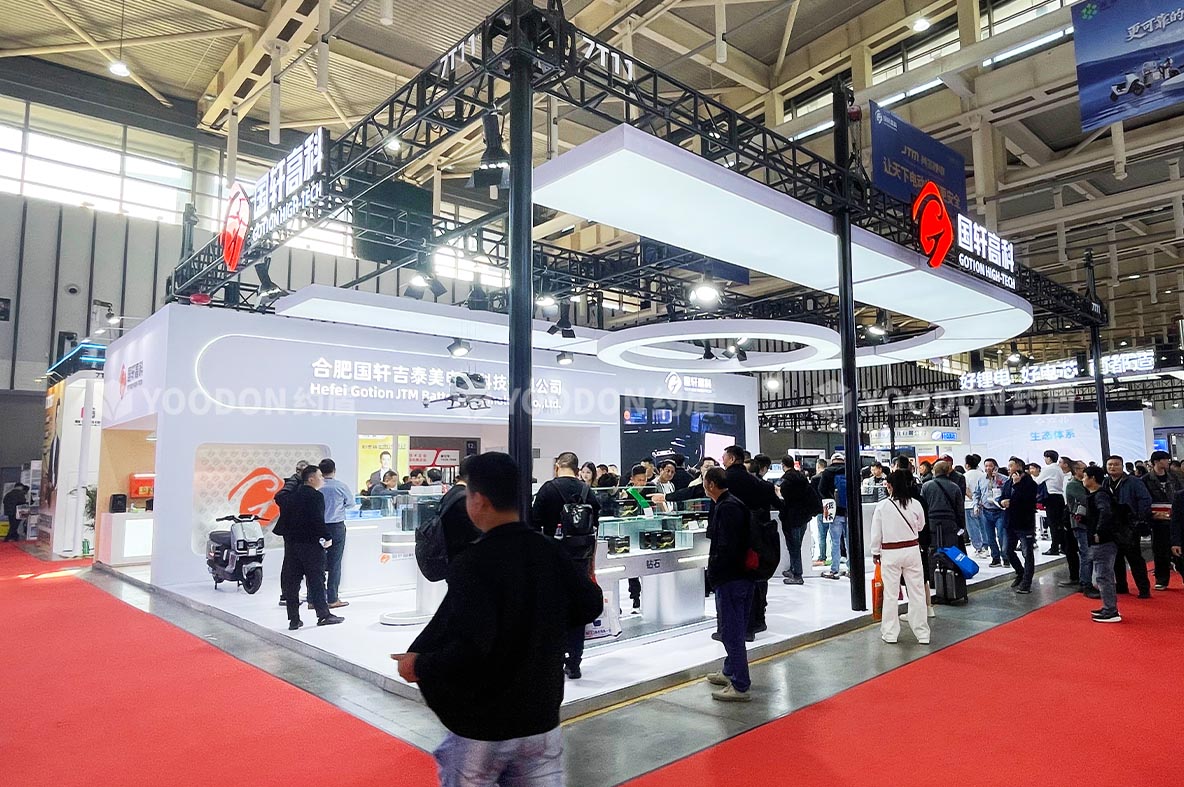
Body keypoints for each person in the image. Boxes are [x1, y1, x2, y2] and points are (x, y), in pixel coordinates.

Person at [394, 453, 602, 786]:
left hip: (484, 726)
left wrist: (419, 665)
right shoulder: (548, 550)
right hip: (541, 719)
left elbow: (469, 648)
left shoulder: (473, 562)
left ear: (478, 501)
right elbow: (589, 604)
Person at [531, 451, 601, 680]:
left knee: (554, 609)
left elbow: (534, 523)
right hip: (580, 558)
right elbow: (596, 525)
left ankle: (555, 659)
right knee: (577, 609)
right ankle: (575, 662)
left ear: (557, 466)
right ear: (577, 469)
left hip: (553, 557)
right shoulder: (587, 491)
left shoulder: (547, 490)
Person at [700, 467, 756, 702]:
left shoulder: (727, 507)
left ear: (711, 484)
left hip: (732, 578)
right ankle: (729, 670)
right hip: (739, 577)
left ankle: (740, 685)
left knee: (732, 632)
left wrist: (715, 573)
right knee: (732, 629)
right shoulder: (731, 503)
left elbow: (727, 547)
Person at [274, 464, 344, 630]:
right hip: (310, 545)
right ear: (311, 479)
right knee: (316, 580)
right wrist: (327, 536)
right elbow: (317, 519)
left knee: (292, 583)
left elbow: (280, 498)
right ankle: (323, 615)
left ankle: (293, 619)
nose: (322, 479)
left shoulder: (291, 496)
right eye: (319, 476)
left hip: (292, 544)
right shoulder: (315, 496)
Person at [721, 445, 780, 637]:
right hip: (758, 538)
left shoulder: (725, 480)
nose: (722, 460)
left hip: (733, 539)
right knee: (756, 578)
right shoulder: (763, 485)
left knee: (735, 583)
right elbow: (780, 505)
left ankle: (739, 627)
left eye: (724, 457)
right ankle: (757, 620)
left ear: (731, 459)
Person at [871, 469, 930, 645]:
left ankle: (890, 633)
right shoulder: (915, 504)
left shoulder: (882, 506)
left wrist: (875, 552)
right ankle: (922, 634)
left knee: (890, 594)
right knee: (917, 592)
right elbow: (921, 526)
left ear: (889, 486)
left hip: (890, 553)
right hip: (912, 550)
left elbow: (876, 533)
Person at [1105, 455, 1152, 598]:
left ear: (1122, 466)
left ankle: (1144, 589)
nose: (1112, 467)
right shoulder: (1105, 482)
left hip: (1129, 525)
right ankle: (1121, 586)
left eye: (1116, 464)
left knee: (1134, 558)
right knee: (1116, 559)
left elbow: (1145, 499)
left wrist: (1138, 518)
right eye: (1110, 465)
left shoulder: (1133, 481)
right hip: (1112, 526)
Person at [1082, 466, 1122, 623]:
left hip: (1103, 541)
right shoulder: (1098, 495)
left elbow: (1105, 513)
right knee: (1103, 575)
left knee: (1103, 575)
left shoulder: (1100, 495)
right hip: (1102, 539)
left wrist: (1099, 531)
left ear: (1092, 478)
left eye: (1085, 476)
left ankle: (1110, 610)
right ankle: (1108, 607)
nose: (1083, 479)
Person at [1142, 450, 1184, 590]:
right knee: (1160, 550)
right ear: (1156, 461)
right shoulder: (1145, 480)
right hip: (1157, 520)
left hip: (1175, 516)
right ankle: (1161, 579)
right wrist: (1151, 514)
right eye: (1165, 459)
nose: (1168, 462)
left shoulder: (1175, 477)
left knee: (1179, 548)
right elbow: (1143, 500)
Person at [317, 459, 354, 609]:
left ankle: (314, 599)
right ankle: (332, 598)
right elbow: (350, 504)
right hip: (336, 527)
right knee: (335, 564)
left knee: (315, 563)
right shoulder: (340, 486)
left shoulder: (317, 486)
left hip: (318, 526)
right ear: (334, 470)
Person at [1000, 456, 1037, 594]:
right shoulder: (1008, 482)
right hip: (1010, 522)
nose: (1008, 468)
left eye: (1011, 466)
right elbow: (1002, 496)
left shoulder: (1029, 483)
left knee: (1027, 553)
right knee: (1007, 550)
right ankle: (1020, 572)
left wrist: (1017, 485)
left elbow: (1027, 500)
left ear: (1019, 467)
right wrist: (1002, 502)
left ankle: (1026, 583)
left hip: (1024, 522)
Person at [778, 458, 816, 585]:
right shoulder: (802, 477)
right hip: (803, 516)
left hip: (791, 517)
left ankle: (797, 575)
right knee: (797, 545)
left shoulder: (785, 480)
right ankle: (794, 568)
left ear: (783, 465)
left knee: (793, 547)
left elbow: (783, 497)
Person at [437, 456, 482, 562]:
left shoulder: (452, 493)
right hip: (461, 557)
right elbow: (473, 533)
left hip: (451, 555)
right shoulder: (465, 498)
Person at [817, 453, 851, 580]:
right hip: (849, 511)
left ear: (832, 460)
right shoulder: (850, 470)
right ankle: (851, 568)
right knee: (849, 541)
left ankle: (834, 569)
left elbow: (821, 489)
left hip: (834, 512)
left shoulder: (828, 472)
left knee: (835, 541)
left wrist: (830, 499)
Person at [921, 461, 966, 552]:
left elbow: (923, 507)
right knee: (951, 549)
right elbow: (960, 509)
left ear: (934, 471)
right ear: (948, 471)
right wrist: (961, 525)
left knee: (934, 548)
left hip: (932, 522)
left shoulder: (926, 486)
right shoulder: (955, 487)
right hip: (950, 523)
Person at [973, 458, 1006, 567]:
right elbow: (977, 493)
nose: (988, 468)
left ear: (995, 467)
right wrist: (976, 505)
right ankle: (995, 558)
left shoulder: (1003, 479)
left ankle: (1006, 557)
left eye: (990, 466)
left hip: (1000, 511)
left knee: (1001, 536)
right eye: (986, 466)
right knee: (990, 537)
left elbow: (1007, 492)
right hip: (986, 511)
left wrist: (997, 479)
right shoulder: (981, 479)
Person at [1063, 460, 1089, 591]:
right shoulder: (1073, 485)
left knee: (1087, 553)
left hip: (1086, 522)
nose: (1085, 471)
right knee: (1086, 554)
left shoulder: (1082, 483)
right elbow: (1085, 500)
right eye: (1082, 469)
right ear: (1075, 470)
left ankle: (1085, 581)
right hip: (1079, 522)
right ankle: (1084, 583)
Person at [1037, 450, 1067, 556]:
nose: (1045, 459)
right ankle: (1063, 547)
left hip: (1051, 498)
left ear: (1049, 458)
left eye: (1045, 457)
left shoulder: (1049, 469)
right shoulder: (1058, 469)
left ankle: (1054, 548)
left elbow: (1037, 481)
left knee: (1053, 524)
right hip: (1059, 497)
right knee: (1059, 524)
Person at [963, 455, 987, 557]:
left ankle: (979, 548)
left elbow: (966, 490)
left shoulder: (965, 476)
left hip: (969, 504)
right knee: (983, 526)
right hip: (983, 504)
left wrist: (974, 499)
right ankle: (986, 547)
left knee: (973, 528)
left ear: (967, 465)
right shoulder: (982, 474)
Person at [811, 458, 830, 566]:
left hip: (820, 509)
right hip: (831, 507)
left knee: (822, 535)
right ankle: (837, 556)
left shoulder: (815, 478)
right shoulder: (830, 476)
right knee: (834, 535)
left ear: (818, 466)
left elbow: (812, 495)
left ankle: (822, 556)